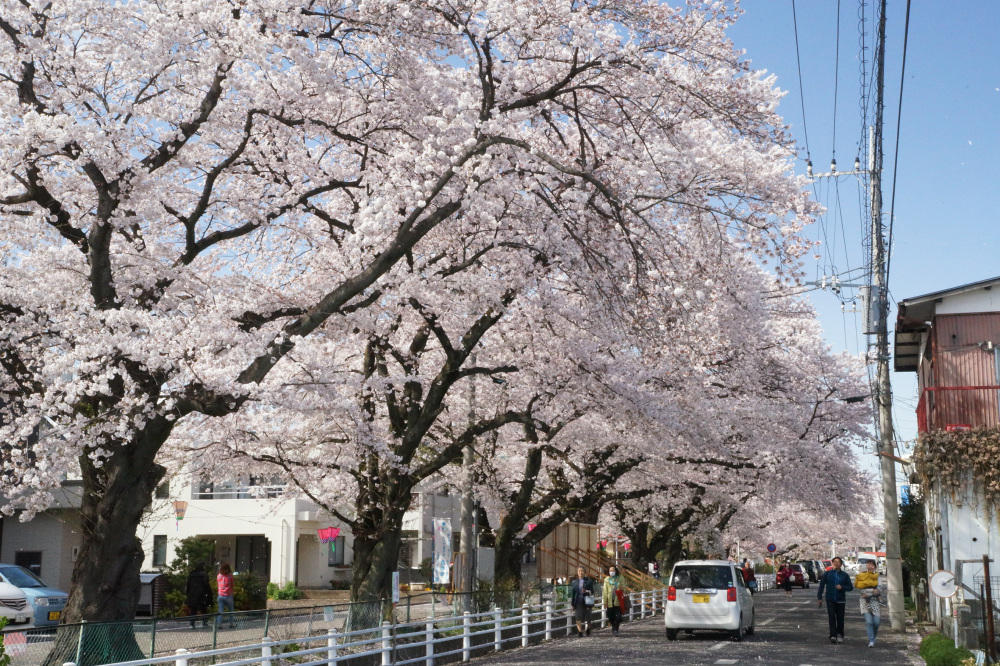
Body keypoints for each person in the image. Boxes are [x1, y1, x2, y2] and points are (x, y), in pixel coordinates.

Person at [817, 556, 854, 643]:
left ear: (841, 564)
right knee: (831, 617)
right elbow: (821, 586)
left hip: (841, 599)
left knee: (840, 618)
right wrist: (819, 597)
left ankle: (840, 634)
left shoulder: (845, 575)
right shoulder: (827, 574)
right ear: (832, 563)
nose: (836, 564)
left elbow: (850, 587)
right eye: (835, 562)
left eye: (838, 562)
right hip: (830, 598)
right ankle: (833, 635)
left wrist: (842, 587)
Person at [855, 559, 882, 647]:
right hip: (864, 601)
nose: (869, 566)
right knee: (869, 622)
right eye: (868, 564)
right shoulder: (862, 575)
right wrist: (866, 592)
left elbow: (879, 588)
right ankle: (871, 640)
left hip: (875, 601)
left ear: (875, 567)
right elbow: (859, 586)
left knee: (876, 622)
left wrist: (876, 591)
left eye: (872, 565)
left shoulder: (877, 576)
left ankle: (873, 638)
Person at [570, 566, 596, 637]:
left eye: (582, 571)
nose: (580, 572)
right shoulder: (574, 582)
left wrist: (586, 591)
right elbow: (573, 594)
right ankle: (580, 631)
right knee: (578, 616)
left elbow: (592, 592)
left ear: (584, 572)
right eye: (579, 571)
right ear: (577, 572)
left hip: (587, 601)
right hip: (578, 601)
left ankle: (588, 628)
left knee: (588, 616)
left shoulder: (589, 581)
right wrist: (572, 604)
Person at [185, 563, 212, 628]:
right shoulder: (204, 574)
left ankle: (192, 624)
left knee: (193, 609)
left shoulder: (191, 574)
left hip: (193, 594)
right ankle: (205, 623)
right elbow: (206, 585)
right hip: (202, 593)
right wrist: (209, 594)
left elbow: (188, 585)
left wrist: (188, 593)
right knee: (203, 609)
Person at [603, 565, 625, 636]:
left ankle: (616, 628)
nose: (612, 572)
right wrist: (605, 602)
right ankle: (613, 627)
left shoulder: (620, 578)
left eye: (613, 570)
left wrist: (620, 588)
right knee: (610, 615)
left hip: (617, 600)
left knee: (618, 616)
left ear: (616, 571)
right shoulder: (606, 580)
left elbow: (623, 587)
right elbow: (605, 592)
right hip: (609, 601)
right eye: (610, 571)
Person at [216, 562, 236, 628]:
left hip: (220, 595)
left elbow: (218, 584)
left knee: (220, 610)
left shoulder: (219, 576)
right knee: (231, 610)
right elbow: (232, 585)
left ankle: (219, 624)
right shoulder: (230, 576)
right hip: (228, 595)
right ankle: (231, 623)